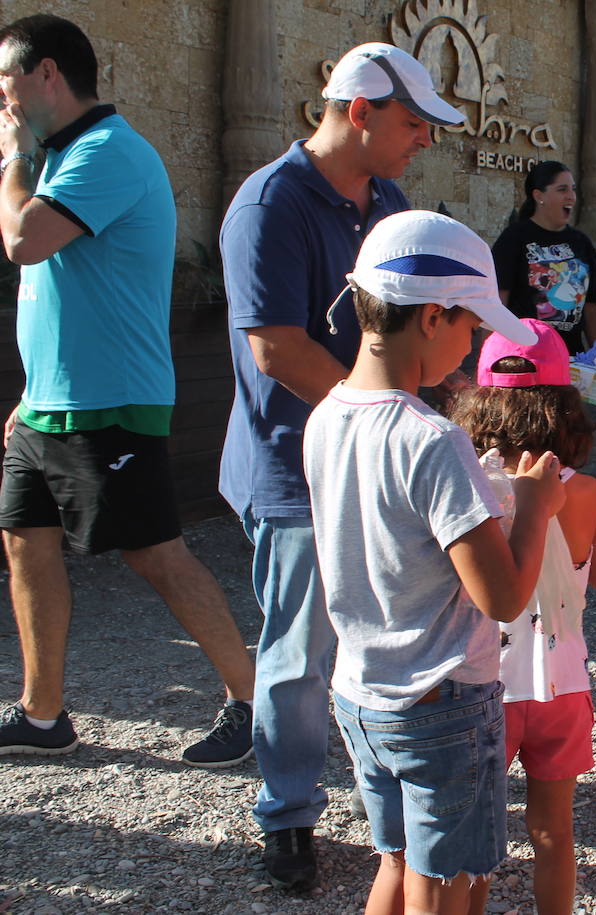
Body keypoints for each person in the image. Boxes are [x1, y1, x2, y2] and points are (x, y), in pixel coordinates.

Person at [219, 41, 459, 890]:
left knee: (389, 635)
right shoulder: (269, 203)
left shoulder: (388, 198)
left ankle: (387, 794)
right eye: (413, 121)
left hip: (374, 457)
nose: (424, 139)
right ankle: (287, 815)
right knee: (298, 654)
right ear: (359, 111)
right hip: (296, 469)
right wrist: (382, 416)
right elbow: (276, 346)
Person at [0, 13, 256, 766]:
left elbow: (24, 240)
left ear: (49, 74)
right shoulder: (58, 159)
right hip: (47, 402)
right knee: (25, 543)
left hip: (111, 404)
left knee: (156, 555)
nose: (3, 98)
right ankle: (43, 713)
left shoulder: (108, 152)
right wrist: (29, 392)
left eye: (7, 80)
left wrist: (12, 156)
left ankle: (252, 702)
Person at [304, 210, 562, 915]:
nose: (473, 340)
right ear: (433, 316)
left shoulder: (325, 415)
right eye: (471, 325)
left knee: (396, 861)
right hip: (442, 704)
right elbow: (503, 596)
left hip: (362, 695)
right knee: (448, 883)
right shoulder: (434, 439)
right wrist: (535, 506)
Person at [450, 318, 596, 915]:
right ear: (566, 408)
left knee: (477, 837)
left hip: (483, 681)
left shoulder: (468, 488)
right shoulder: (588, 492)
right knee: (554, 830)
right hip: (562, 684)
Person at [492, 161, 596, 355]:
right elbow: (497, 305)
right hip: (525, 359)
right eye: (562, 189)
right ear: (538, 196)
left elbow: (591, 308)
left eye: (573, 189)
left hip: (573, 360)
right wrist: (494, 359)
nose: (571, 196)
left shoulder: (582, 242)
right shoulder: (513, 239)